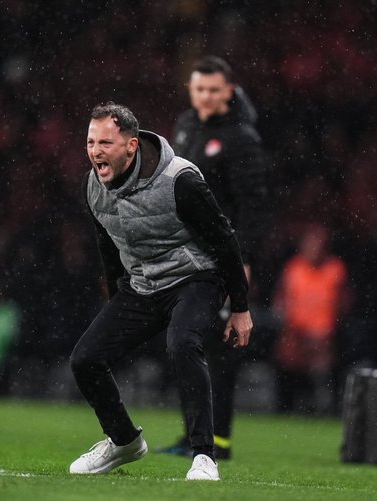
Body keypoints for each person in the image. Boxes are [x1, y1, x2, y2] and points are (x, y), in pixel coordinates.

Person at [68, 102, 252, 481]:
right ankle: (124, 441)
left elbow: (224, 240)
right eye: (90, 142)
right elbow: (108, 245)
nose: (95, 151)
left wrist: (240, 307)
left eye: (105, 143)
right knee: (85, 359)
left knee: (182, 343)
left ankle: (204, 456)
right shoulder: (92, 186)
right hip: (142, 285)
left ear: (131, 146)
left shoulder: (179, 180)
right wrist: (115, 303)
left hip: (196, 278)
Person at [158, 55, 267, 460]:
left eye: (213, 90)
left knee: (219, 348)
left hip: (222, 256)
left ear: (228, 91)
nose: (205, 96)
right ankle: (194, 435)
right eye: (199, 88)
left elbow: (254, 207)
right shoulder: (186, 127)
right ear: (191, 89)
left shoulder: (241, 138)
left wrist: (244, 260)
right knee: (185, 340)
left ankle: (217, 440)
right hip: (185, 253)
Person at [272, 224, 348, 414]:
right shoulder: (294, 268)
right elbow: (281, 302)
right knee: (287, 348)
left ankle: (325, 406)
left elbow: (343, 305)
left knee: (323, 349)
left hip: (325, 334)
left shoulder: (335, 269)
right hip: (295, 332)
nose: (314, 249)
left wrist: (326, 329)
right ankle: (286, 404)